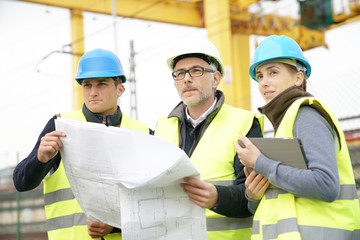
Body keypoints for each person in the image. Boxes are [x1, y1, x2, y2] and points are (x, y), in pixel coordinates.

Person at [13, 49, 150, 240]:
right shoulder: (60, 125)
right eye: (87, 85)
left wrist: (115, 226)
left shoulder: (142, 133)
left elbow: (154, 201)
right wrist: (40, 160)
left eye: (101, 84)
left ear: (120, 89)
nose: (93, 92)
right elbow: (21, 182)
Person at [235, 35, 360, 240]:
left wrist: (259, 162)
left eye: (273, 72)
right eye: (260, 76)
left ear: (298, 78)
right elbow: (282, 195)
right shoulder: (285, 122)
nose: (264, 82)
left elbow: (325, 185)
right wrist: (253, 196)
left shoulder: (306, 115)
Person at [154, 38, 264, 239]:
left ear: (216, 79)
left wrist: (217, 198)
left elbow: (255, 197)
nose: (186, 79)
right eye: (179, 74)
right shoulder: (161, 128)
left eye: (196, 71)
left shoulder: (244, 123)